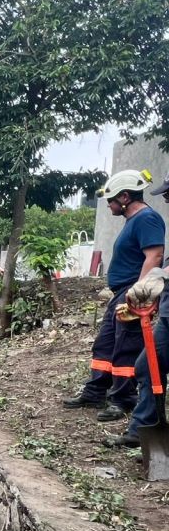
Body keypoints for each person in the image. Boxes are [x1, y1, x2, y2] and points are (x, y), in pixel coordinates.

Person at [64, 169, 165, 426]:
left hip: (132, 291)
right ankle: (95, 392)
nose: (109, 205)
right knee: (105, 343)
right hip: (120, 291)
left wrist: (139, 293)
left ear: (125, 197)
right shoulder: (133, 222)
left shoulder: (146, 219)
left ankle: (123, 399)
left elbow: (153, 256)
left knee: (126, 347)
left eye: (110, 200)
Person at [107, 173, 169, 447]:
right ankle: (142, 430)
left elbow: (153, 253)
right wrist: (157, 278)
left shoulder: (147, 219)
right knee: (147, 366)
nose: (165, 198)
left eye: (168, 194)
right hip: (168, 312)